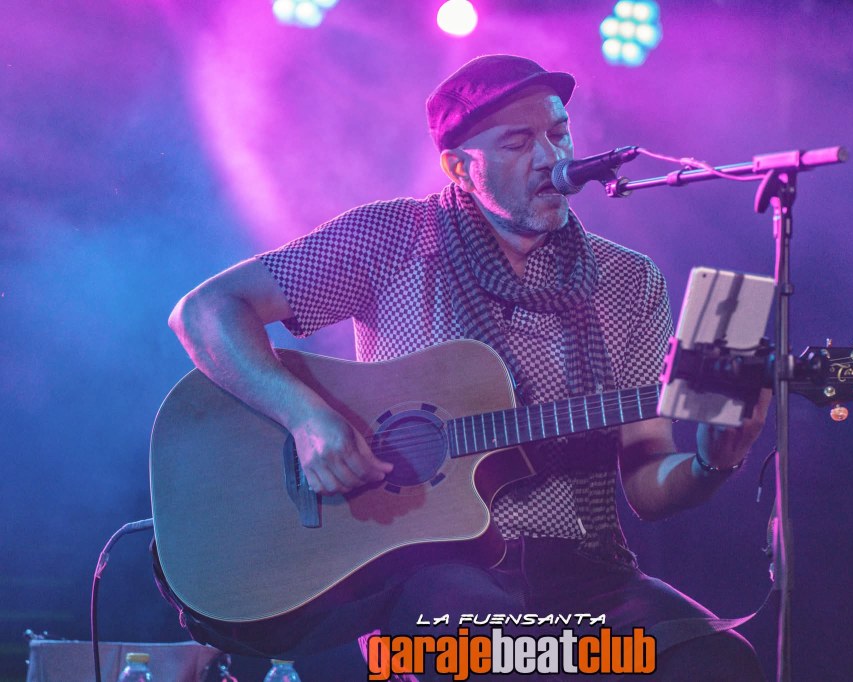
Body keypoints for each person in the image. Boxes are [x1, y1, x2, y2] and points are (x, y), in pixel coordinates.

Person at [167, 54, 770, 680]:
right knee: (501, 660)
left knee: (718, 661)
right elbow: (206, 312)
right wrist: (305, 416)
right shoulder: (392, 238)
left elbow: (647, 485)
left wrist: (713, 462)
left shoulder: (628, 280)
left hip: (586, 573)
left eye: (558, 133)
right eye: (518, 142)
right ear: (459, 167)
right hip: (426, 575)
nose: (550, 157)